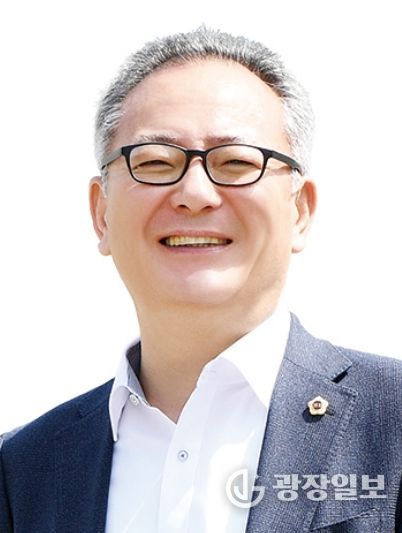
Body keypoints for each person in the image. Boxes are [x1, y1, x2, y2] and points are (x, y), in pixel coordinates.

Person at [1, 27, 401, 533]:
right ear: (101, 214)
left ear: (299, 211)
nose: (194, 193)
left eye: (235, 162)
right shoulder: (24, 470)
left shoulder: (391, 423)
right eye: (154, 162)